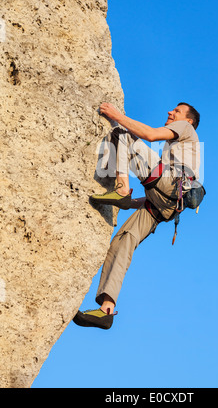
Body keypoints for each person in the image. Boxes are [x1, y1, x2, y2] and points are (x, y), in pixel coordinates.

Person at [73, 102, 202, 330]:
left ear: (188, 120)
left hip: (170, 187)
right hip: (165, 205)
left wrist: (116, 115)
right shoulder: (179, 149)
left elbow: (150, 135)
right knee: (122, 241)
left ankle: (122, 188)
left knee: (122, 132)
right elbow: (160, 194)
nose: (170, 112)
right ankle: (106, 310)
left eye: (177, 111)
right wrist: (131, 204)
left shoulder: (186, 129)